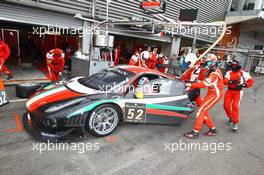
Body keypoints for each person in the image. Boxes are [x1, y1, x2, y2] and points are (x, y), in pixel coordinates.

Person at [184, 54, 224, 138]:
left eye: (208, 62)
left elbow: (204, 83)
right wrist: (195, 64)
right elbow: (201, 66)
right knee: (203, 111)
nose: (206, 64)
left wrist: (190, 85)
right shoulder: (213, 70)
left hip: (215, 94)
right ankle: (212, 129)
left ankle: (195, 131)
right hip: (211, 93)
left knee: (200, 111)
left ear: (213, 63)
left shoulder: (215, 74)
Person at [223, 60, 254, 131]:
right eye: (232, 65)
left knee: (235, 106)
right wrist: (230, 82)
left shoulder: (243, 73)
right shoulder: (229, 72)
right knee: (226, 106)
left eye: (234, 65)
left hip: (238, 92)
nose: (233, 67)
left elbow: (250, 81)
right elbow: (225, 81)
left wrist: (243, 85)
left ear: (238, 65)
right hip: (229, 91)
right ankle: (231, 117)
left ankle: (235, 123)